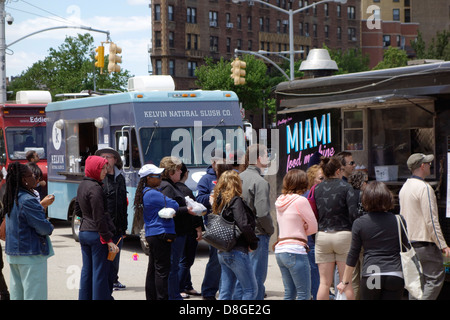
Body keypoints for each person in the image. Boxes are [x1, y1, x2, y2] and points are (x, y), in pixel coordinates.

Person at [338, 181, 406, 300]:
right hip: (395, 273)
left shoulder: (359, 223)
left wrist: (345, 281)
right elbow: (405, 248)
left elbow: (353, 254)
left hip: (372, 271)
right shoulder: (398, 220)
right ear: (388, 197)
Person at [399, 153, 450, 300]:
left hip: (409, 244)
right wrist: (443, 245)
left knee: (416, 283)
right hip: (425, 244)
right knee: (435, 278)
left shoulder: (405, 187)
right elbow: (431, 220)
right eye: (428, 163)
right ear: (422, 166)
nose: (430, 166)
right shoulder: (424, 188)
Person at [3, 162, 54, 300]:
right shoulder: (28, 200)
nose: (35, 177)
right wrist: (49, 225)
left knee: (17, 295)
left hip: (14, 254)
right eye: (31, 175)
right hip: (31, 254)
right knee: (35, 295)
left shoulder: (11, 197)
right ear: (24, 179)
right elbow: (44, 228)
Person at [314, 156, 359, 300]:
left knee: (324, 283)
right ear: (338, 171)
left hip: (322, 235)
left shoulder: (317, 188)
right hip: (343, 234)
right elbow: (353, 214)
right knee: (346, 282)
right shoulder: (346, 187)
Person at [211, 170, 259, 300]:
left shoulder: (220, 202)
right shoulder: (235, 201)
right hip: (237, 250)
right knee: (251, 290)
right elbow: (243, 224)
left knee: (226, 292)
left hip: (223, 250)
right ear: (236, 183)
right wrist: (253, 242)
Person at [77, 156, 119, 300]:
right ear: (94, 168)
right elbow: (99, 217)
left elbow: (77, 210)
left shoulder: (82, 184)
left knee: (87, 271)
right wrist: (108, 239)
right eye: (102, 168)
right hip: (96, 235)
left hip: (84, 232)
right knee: (100, 273)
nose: (105, 171)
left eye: (105, 168)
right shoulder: (95, 188)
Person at [134, 164, 179, 300]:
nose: (160, 178)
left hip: (153, 233)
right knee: (162, 271)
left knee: (153, 270)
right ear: (148, 178)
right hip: (161, 233)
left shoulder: (146, 192)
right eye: (157, 176)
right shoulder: (153, 193)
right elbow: (175, 205)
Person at [236, 144, 274, 300]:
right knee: (256, 279)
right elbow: (263, 213)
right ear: (259, 158)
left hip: (238, 234)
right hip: (257, 234)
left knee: (240, 281)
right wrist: (270, 230)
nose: (269, 158)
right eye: (266, 155)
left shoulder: (238, 178)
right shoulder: (260, 182)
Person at [159, 156, 199, 300]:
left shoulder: (170, 185)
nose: (180, 173)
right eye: (178, 170)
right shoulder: (167, 187)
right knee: (172, 267)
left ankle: (174, 293)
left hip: (177, 232)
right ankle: (173, 295)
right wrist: (186, 210)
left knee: (174, 266)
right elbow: (166, 211)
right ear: (170, 172)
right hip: (173, 232)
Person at [275, 169, 318, 300]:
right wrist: (303, 227)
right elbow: (314, 227)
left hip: (280, 249)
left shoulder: (279, 201)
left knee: (289, 293)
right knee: (304, 294)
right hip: (296, 250)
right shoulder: (300, 201)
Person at [95, 147, 128, 291]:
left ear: (115, 159)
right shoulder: (99, 177)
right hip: (104, 226)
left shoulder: (120, 177)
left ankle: (114, 280)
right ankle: (104, 283)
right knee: (104, 258)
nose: (106, 159)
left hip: (118, 225)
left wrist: (124, 226)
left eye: (109, 156)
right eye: (103, 157)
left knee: (115, 257)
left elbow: (123, 203)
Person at [196, 148, 225, 300]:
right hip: (214, 225)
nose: (218, 164)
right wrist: (211, 197)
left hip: (232, 225)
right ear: (212, 162)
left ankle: (227, 290)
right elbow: (199, 199)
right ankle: (208, 292)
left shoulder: (232, 176)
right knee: (215, 260)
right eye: (216, 161)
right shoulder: (206, 180)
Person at [176, 162, 203, 298]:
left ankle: (187, 285)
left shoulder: (172, 188)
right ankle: (180, 287)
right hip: (188, 230)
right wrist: (199, 229)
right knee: (186, 261)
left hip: (179, 230)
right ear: (185, 174)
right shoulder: (185, 190)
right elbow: (195, 211)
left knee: (183, 260)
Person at [304, 164, 324, 299]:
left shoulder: (320, 194)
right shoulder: (308, 197)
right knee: (315, 273)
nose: (324, 181)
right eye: (321, 178)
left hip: (319, 240)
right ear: (313, 179)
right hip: (312, 241)